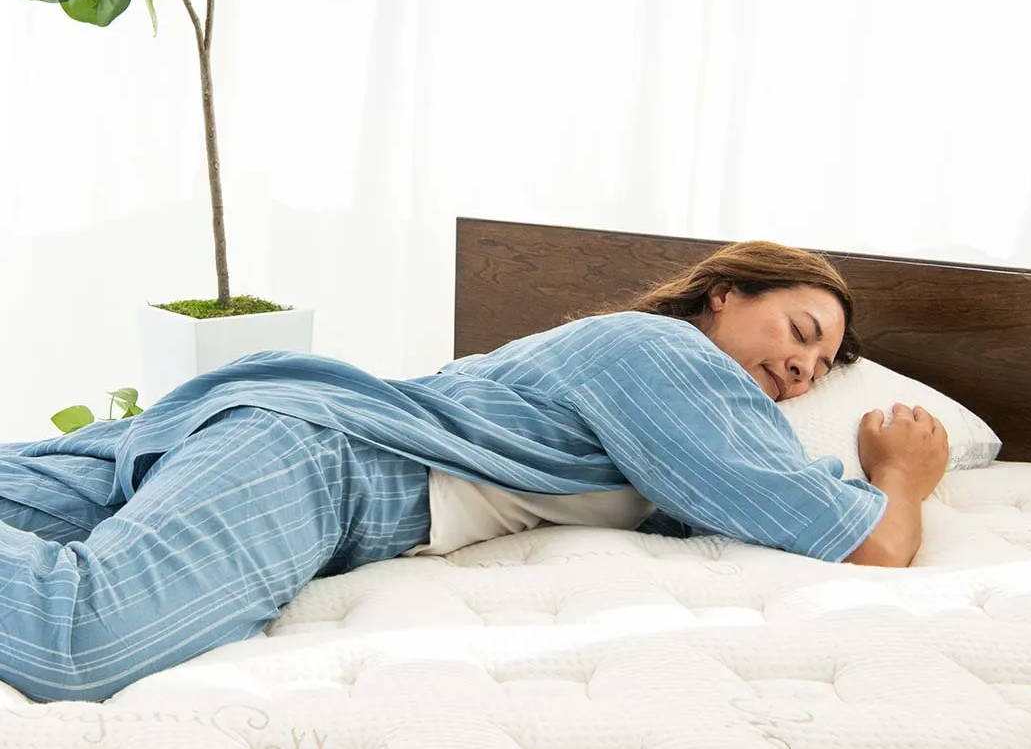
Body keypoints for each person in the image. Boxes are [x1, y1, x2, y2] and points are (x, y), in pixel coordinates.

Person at [0, 239, 948, 704]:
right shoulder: (663, 355)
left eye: (821, 370)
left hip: (270, 434)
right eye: (799, 332)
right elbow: (865, 540)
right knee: (79, 641)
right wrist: (898, 472)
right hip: (321, 461)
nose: (803, 369)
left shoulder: (678, 419)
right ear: (724, 291)